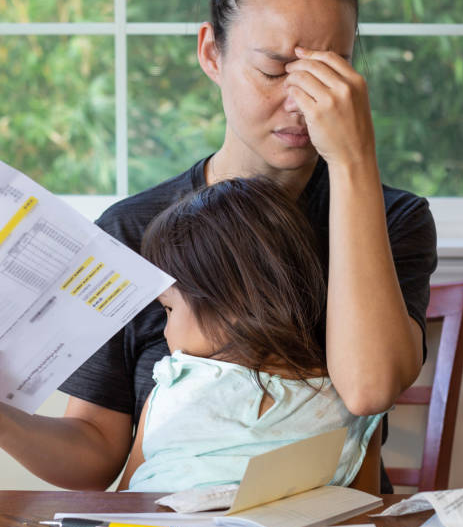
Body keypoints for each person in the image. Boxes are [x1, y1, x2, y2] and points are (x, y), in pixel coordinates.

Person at [0, 0, 436, 493]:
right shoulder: (133, 232)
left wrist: (354, 161)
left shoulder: (394, 218)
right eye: (275, 69)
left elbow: (369, 390)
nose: (302, 103)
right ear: (212, 53)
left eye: (331, 73)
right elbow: (95, 450)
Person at [118, 176, 384, 492]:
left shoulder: (176, 385)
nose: (166, 330)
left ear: (231, 301)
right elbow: (364, 512)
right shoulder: (345, 395)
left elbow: (125, 501)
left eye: (169, 309)